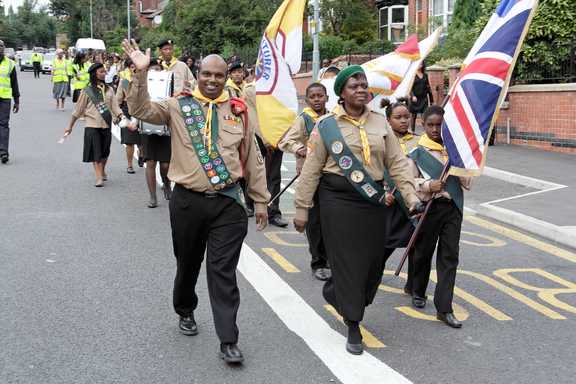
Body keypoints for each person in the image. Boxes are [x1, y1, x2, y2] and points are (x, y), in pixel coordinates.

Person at [122, 39, 270, 364]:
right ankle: (185, 308)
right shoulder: (178, 106)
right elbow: (141, 109)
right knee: (188, 263)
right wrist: (139, 73)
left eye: (219, 75)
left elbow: (252, 158)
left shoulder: (239, 111)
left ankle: (228, 339)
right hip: (188, 202)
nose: (213, 80)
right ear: (197, 74)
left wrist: (260, 200)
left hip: (228, 204)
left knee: (223, 271)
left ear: (225, 76)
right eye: (207, 74)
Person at [293, 65, 422, 355]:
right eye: (354, 86)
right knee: (349, 262)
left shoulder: (380, 123)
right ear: (342, 92)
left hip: (373, 200)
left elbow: (398, 163)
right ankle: (353, 324)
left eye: (364, 85)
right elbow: (311, 170)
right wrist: (302, 208)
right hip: (337, 201)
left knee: (373, 263)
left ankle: (337, 294)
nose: (361, 90)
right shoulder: (326, 125)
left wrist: (411, 196)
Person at [407, 105, 471, 329]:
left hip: (452, 207)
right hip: (429, 207)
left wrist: (462, 166)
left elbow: (468, 183)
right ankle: (417, 289)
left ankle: (444, 308)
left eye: (439, 125)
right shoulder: (417, 152)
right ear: (423, 125)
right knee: (423, 252)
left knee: (449, 257)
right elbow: (408, 181)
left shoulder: (455, 150)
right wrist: (428, 184)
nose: (435, 129)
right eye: (431, 125)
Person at [278, 82, 331, 281]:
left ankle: (332, 258)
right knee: (315, 220)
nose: (317, 100)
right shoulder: (304, 119)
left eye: (320, 96)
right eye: (313, 97)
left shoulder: (334, 118)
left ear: (326, 97)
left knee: (332, 219)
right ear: (307, 100)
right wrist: (299, 149)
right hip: (311, 176)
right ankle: (318, 261)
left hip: (332, 176)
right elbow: (286, 141)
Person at [64, 63, 131, 187]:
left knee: (105, 152)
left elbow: (115, 107)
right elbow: (78, 110)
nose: (104, 74)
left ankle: (102, 170)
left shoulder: (110, 89)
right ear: (95, 74)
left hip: (106, 125)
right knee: (96, 153)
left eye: (104, 71)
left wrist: (122, 117)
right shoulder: (87, 91)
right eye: (101, 72)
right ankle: (99, 177)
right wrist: (70, 126)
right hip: (92, 125)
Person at [138, 58, 173, 208]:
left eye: (158, 69)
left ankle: (166, 183)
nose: (155, 73)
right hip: (147, 128)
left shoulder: (168, 84)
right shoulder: (141, 85)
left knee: (165, 165)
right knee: (150, 162)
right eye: (152, 70)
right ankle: (152, 196)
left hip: (165, 128)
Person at [116, 59, 142, 175]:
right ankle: (130, 165)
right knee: (129, 141)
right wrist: (117, 114)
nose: (134, 69)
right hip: (128, 110)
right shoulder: (125, 80)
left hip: (142, 111)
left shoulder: (144, 79)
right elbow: (119, 97)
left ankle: (142, 155)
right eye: (132, 66)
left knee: (142, 139)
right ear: (128, 67)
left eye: (135, 66)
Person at [0, 40, 20, 164]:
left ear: (4, 48)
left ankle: (3, 152)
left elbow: (14, 83)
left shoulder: (10, 64)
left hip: (5, 99)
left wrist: (16, 100)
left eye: (1, 46)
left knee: (4, 125)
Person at [409, 61, 434, 131]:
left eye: (421, 64)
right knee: (413, 116)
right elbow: (409, 87)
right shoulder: (412, 75)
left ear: (423, 65)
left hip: (424, 99)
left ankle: (426, 132)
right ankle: (412, 131)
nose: (420, 65)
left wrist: (432, 100)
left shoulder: (425, 75)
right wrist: (412, 96)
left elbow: (428, 88)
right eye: (418, 64)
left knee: (424, 116)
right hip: (415, 99)